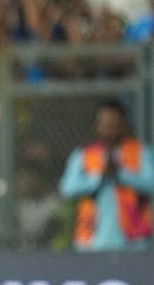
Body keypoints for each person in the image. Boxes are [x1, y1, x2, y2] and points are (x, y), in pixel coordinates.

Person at [59, 99, 154, 252]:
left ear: (124, 125)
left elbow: (151, 183)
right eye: (105, 124)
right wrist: (98, 178)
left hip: (134, 243)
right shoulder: (83, 155)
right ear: (97, 126)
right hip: (91, 242)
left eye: (114, 124)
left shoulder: (141, 152)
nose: (110, 129)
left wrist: (121, 174)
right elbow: (67, 189)